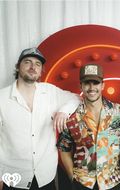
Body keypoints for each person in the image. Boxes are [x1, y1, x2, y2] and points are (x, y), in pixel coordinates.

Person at [0, 47, 79, 190]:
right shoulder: (2, 98)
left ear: (41, 70)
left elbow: (76, 99)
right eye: (27, 62)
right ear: (18, 67)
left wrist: (63, 111)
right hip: (13, 177)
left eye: (37, 64)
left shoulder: (50, 91)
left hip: (46, 176)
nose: (33, 67)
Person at [56, 63, 120, 190]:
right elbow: (63, 148)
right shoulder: (71, 117)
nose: (91, 87)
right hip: (83, 183)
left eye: (96, 83)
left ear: (103, 85)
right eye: (87, 83)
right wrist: (72, 176)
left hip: (113, 181)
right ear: (81, 86)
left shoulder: (119, 112)